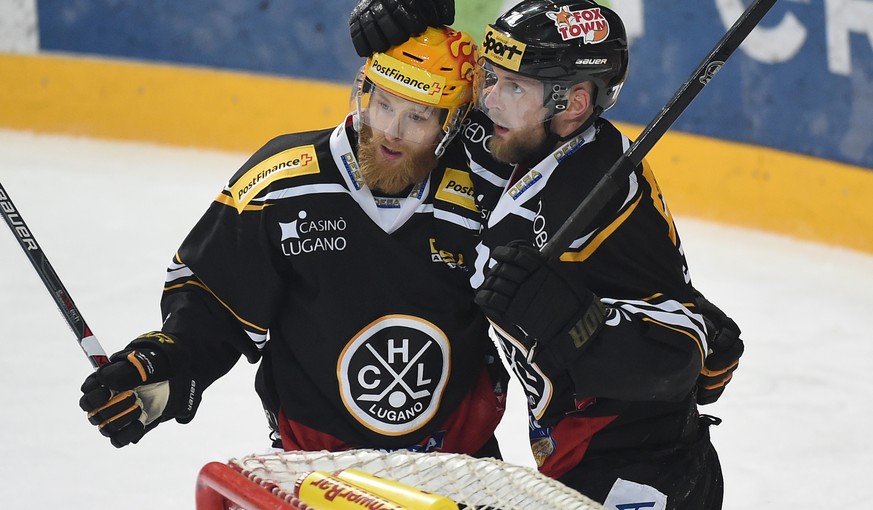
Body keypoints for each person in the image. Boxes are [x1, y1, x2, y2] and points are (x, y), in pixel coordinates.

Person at [349, 1, 744, 508]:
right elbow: (432, 120)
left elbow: (692, 351)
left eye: (514, 87)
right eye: (492, 78)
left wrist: (575, 323)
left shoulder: (596, 193)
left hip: (647, 471)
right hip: (568, 459)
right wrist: (406, 22)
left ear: (574, 104)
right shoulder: (520, 141)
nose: (490, 100)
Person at [78, 26, 510, 459]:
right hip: (318, 467)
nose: (392, 131)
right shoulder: (284, 180)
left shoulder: (485, 188)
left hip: (460, 463)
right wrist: (167, 362)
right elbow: (215, 301)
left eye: (417, 116)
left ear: (452, 123)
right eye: (384, 105)